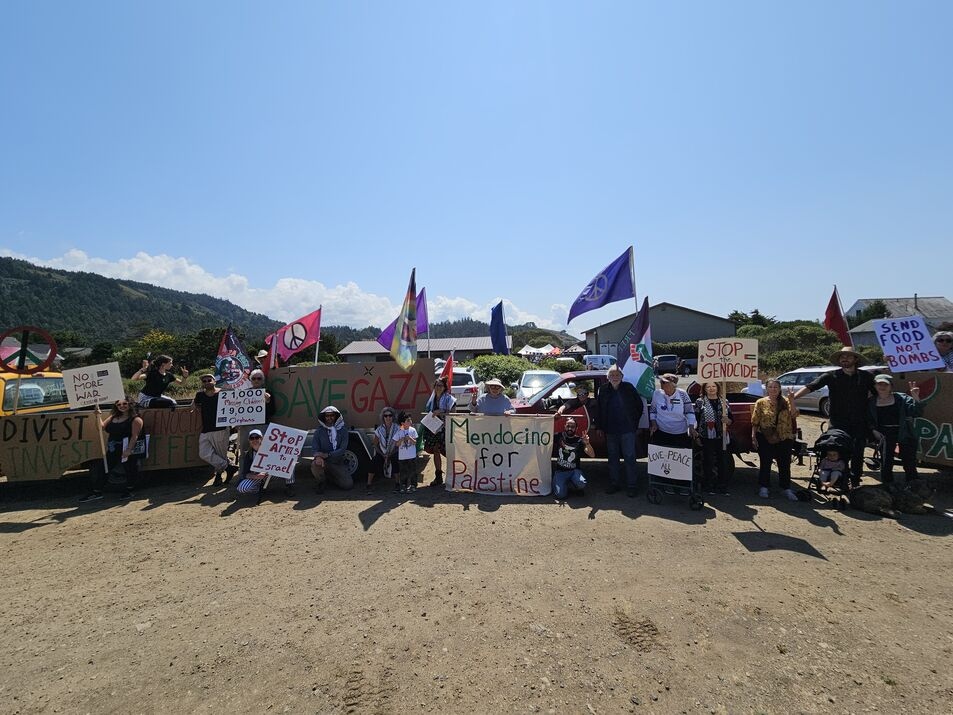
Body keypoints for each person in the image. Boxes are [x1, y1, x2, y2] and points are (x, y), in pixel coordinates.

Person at [790, 346, 875, 488]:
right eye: (842, 356)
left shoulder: (865, 377)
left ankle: (855, 483)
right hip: (837, 423)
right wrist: (792, 399)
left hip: (860, 422)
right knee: (836, 451)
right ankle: (836, 480)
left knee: (858, 454)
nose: (844, 358)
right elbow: (811, 386)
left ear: (856, 359)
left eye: (848, 356)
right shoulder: (831, 376)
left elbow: (879, 393)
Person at [79, 397, 145, 502]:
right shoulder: (113, 417)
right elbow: (101, 427)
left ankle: (130, 490)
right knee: (103, 469)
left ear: (130, 404)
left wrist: (128, 450)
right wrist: (98, 416)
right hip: (113, 449)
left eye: (125, 404)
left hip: (127, 449)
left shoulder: (136, 419)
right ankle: (97, 492)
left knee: (130, 469)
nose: (122, 406)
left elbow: (134, 436)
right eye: (118, 404)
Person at [595, 365, 644, 497]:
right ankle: (614, 484)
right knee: (613, 458)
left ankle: (632, 486)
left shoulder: (629, 388)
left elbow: (639, 406)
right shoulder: (603, 389)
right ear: (608, 377)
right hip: (610, 431)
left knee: (629, 457)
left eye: (617, 375)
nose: (615, 377)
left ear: (622, 377)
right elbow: (598, 409)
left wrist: (634, 424)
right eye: (612, 375)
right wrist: (599, 427)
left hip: (627, 430)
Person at [869, 373, 923, 485]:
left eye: (885, 384)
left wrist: (916, 397)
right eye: (879, 384)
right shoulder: (871, 402)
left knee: (909, 462)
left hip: (904, 432)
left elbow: (917, 412)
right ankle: (888, 487)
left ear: (891, 387)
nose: (882, 387)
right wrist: (873, 430)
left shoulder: (901, 399)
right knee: (886, 463)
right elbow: (868, 419)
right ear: (875, 386)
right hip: (884, 435)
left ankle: (914, 487)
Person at [751, 378, 799, 500]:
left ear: (779, 389)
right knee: (765, 462)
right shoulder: (761, 402)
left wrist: (792, 400)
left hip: (785, 436)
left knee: (784, 463)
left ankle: (786, 488)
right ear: (766, 388)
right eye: (771, 387)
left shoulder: (786, 401)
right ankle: (764, 487)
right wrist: (753, 436)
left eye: (776, 387)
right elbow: (755, 421)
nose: (773, 389)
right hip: (766, 436)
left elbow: (794, 414)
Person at [191, 374, 237, 486]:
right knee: (204, 453)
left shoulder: (223, 393)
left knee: (220, 455)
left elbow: (235, 402)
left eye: (209, 380)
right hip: (206, 429)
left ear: (214, 381)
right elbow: (194, 405)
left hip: (220, 428)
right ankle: (229, 466)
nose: (207, 382)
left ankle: (218, 477)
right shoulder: (200, 395)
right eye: (204, 381)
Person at [693, 382, 732, 495]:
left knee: (722, 461)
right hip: (706, 436)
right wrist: (697, 435)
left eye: (714, 386)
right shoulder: (700, 402)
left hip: (721, 435)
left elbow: (731, 419)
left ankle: (722, 486)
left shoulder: (724, 401)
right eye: (708, 387)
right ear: (704, 389)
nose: (711, 389)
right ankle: (708, 486)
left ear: (718, 388)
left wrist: (727, 420)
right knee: (708, 461)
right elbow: (696, 419)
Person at [236, 428, 295, 499]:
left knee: (290, 462)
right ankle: (259, 489)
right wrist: (256, 476)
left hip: (274, 473)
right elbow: (245, 474)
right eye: (252, 438)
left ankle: (289, 486)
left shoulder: (272, 448)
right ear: (249, 440)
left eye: (257, 437)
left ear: (261, 438)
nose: (254, 440)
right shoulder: (248, 454)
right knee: (242, 487)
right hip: (259, 476)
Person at [310, 405, 353, 492]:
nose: (329, 418)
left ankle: (330, 478)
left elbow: (342, 449)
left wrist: (327, 455)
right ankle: (321, 482)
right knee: (315, 464)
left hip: (337, 463)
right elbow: (314, 448)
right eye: (327, 416)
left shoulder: (343, 431)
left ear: (336, 416)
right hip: (323, 462)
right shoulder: (319, 432)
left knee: (348, 485)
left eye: (332, 415)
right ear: (324, 417)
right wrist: (318, 457)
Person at [649, 374, 698, 448]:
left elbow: (689, 412)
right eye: (662, 383)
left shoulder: (682, 394)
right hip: (662, 431)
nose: (663, 386)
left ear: (674, 385)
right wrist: (654, 424)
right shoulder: (657, 393)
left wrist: (691, 427)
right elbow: (653, 411)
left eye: (666, 384)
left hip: (680, 432)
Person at [424, 377, 456, 487]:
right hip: (433, 428)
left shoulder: (450, 399)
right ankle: (438, 476)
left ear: (444, 387)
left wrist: (440, 412)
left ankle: (454, 476)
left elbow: (453, 414)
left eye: (440, 386)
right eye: (436, 385)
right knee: (435, 450)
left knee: (450, 452)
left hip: (446, 428)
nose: (438, 388)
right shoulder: (431, 399)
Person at [552, 417, 594, 500]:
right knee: (561, 495)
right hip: (560, 472)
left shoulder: (579, 440)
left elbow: (592, 455)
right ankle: (563, 484)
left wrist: (587, 444)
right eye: (568, 426)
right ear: (564, 426)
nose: (570, 428)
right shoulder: (559, 436)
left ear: (576, 428)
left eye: (573, 426)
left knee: (581, 483)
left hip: (574, 471)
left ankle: (576, 486)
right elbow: (545, 436)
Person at [368, 406, 399, 492]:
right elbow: (375, 445)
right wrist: (383, 455)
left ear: (393, 417)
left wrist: (390, 454)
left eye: (390, 415)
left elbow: (398, 445)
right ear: (383, 417)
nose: (388, 417)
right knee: (374, 461)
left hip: (393, 451)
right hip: (382, 452)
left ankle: (397, 483)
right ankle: (369, 484)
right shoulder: (379, 430)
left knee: (395, 459)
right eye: (386, 416)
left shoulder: (397, 428)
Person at [393, 411, 419, 493]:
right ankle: (403, 486)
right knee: (403, 472)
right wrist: (401, 439)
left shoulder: (413, 430)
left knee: (413, 471)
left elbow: (415, 442)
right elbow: (396, 444)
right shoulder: (399, 431)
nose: (410, 422)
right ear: (402, 423)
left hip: (412, 456)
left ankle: (413, 485)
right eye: (408, 420)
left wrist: (410, 438)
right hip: (402, 457)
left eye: (410, 420)